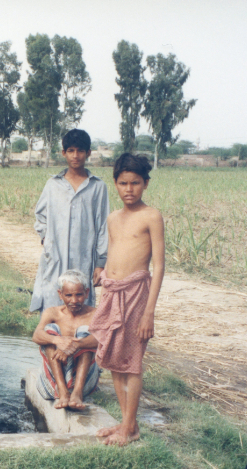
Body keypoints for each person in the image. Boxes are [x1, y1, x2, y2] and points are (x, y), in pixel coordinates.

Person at [89, 153, 165, 446]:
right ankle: (126, 423)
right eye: (123, 183)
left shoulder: (151, 216)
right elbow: (112, 253)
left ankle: (130, 427)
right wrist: (103, 275)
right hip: (112, 293)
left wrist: (149, 313)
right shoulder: (113, 218)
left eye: (135, 183)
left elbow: (159, 266)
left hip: (136, 295)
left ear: (146, 184)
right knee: (114, 359)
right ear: (115, 184)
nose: (129, 189)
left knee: (131, 362)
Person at [30, 128, 109, 312]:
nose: (75, 156)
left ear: (88, 153)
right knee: (52, 304)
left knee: (81, 307)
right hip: (55, 257)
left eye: (80, 150)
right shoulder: (53, 185)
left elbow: (103, 226)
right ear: (63, 153)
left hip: (84, 258)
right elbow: (40, 215)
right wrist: (46, 239)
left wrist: (100, 264)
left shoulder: (97, 187)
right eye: (71, 150)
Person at [32, 270, 101, 410]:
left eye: (79, 295)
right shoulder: (53, 312)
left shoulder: (95, 314)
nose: (74, 301)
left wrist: (75, 344)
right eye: (68, 295)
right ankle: (63, 391)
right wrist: (58, 341)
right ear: (60, 294)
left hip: (84, 379)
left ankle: (77, 393)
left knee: (84, 332)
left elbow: (103, 339)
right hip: (55, 380)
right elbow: (36, 335)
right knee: (49, 330)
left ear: (87, 293)